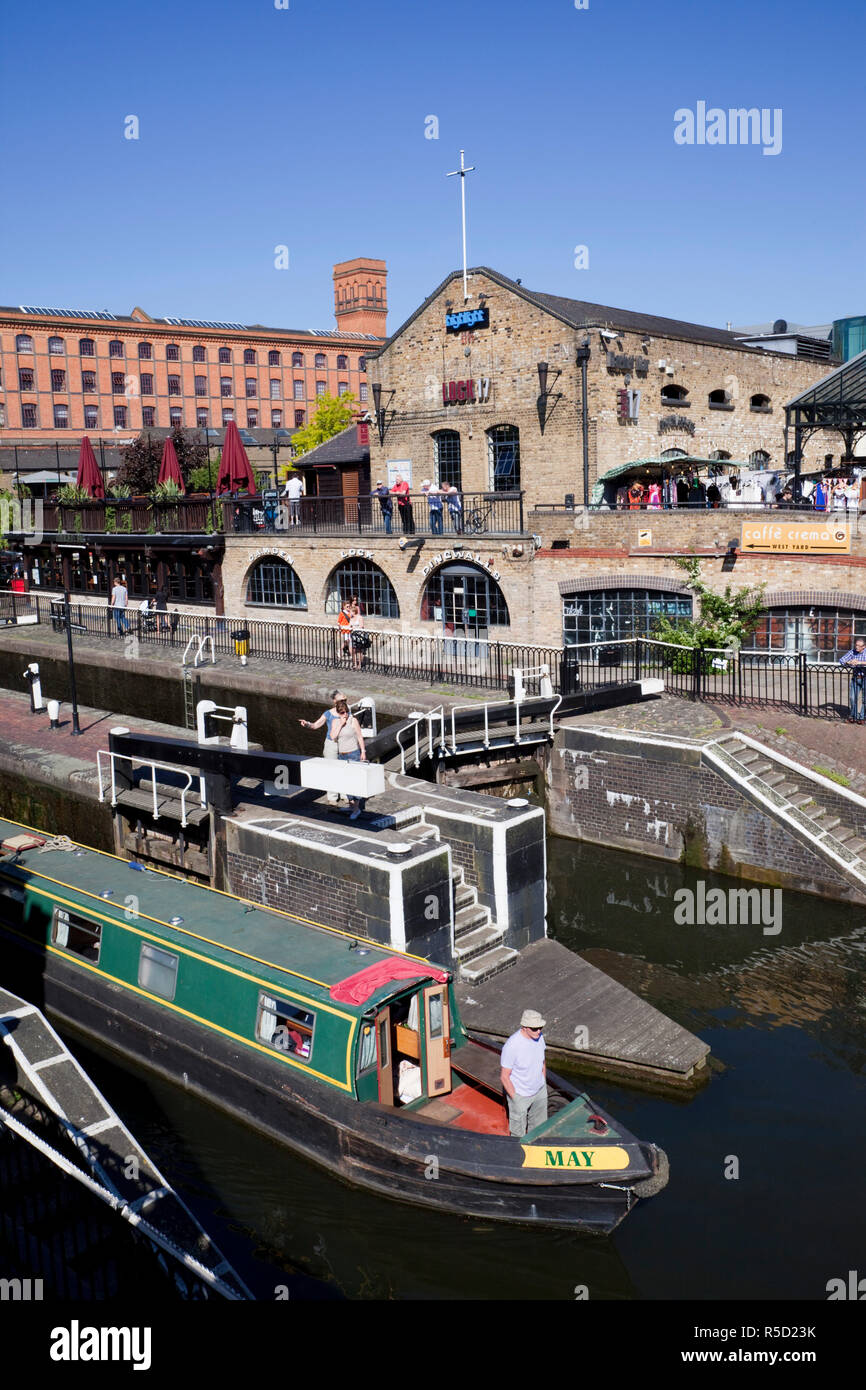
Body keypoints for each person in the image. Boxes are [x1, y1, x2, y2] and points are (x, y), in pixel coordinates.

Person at [500, 1009, 548, 1137]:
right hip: (520, 1094)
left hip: (539, 1090)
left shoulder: (540, 1037)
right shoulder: (512, 1046)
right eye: (534, 1028)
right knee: (517, 1135)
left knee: (540, 1129)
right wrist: (516, 1098)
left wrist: (543, 1082)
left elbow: (542, 1061)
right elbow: (505, 1076)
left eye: (540, 1027)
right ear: (524, 1027)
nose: (538, 1031)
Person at [300, 690, 348, 805]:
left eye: (345, 700)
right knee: (332, 770)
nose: (344, 702)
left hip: (344, 743)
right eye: (342, 700)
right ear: (334, 701)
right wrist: (307, 724)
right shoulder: (328, 713)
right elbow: (316, 725)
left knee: (345, 769)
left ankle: (345, 794)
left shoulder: (347, 712)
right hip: (331, 744)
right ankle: (332, 797)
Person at [329, 697, 368, 820]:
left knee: (354, 782)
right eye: (342, 713)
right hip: (342, 755)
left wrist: (363, 751)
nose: (345, 715)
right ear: (338, 713)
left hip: (353, 754)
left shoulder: (353, 721)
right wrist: (341, 723)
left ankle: (356, 809)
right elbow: (332, 737)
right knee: (345, 782)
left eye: (346, 712)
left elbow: (360, 737)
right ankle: (351, 806)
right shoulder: (336, 722)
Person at [839, 636, 866, 724]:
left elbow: (861, 663)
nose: (857, 647)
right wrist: (849, 662)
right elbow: (842, 660)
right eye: (856, 645)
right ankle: (853, 716)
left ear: (864, 646)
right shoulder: (852, 652)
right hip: (856, 678)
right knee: (852, 698)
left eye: (859, 646)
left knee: (864, 699)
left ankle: (862, 717)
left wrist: (860, 662)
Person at [349, 598, 367, 671]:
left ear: (354, 611)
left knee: (359, 650)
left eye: (351, 611)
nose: (350, 613)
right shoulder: (351, 618)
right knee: (354, 650)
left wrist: (355, 627)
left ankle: (359, 664)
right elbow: (350, 625)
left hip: (358, 635)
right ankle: (355, 664)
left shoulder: (360, 617)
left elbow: (361, 626)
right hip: (353, 635)